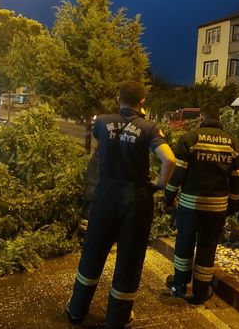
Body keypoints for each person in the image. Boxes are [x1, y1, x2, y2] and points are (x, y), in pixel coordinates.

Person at [66, 82, 176, 328]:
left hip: (106, 193)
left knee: (93, 252)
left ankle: (76, 311)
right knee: (129, 257)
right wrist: (158, 185)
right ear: (143, 102)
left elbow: (98, 144)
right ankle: (117, 319)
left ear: (118, 99)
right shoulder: (149, 128)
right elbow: (169, 159)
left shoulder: (103, 122)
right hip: (136, 197)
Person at [164, 103, 239, 305]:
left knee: (184, 243)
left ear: (202, 117)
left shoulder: (190, 139)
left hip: (190, 207)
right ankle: (201, 291)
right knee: (207, 247)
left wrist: (168, 197)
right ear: (219, 118)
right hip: (216, 209)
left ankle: (179, 284)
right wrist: (233, 205)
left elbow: (178, 173)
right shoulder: (232, 143)